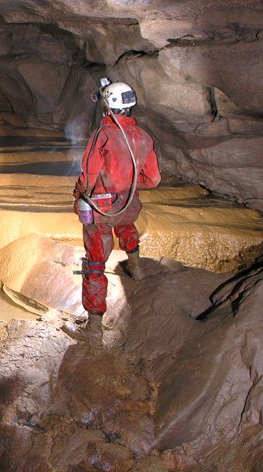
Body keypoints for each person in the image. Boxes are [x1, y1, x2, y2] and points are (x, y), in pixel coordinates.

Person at [72, 81, 161, 346]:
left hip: (102, 207)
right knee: (127, 227)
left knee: (96, 263)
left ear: (108, 104)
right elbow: (153, 179)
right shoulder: (144, 137)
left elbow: (88, 173)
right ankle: (136, 269)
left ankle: (94, 330)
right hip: (128, 204)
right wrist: (130, 186)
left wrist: (80, 194)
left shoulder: (105, 135)